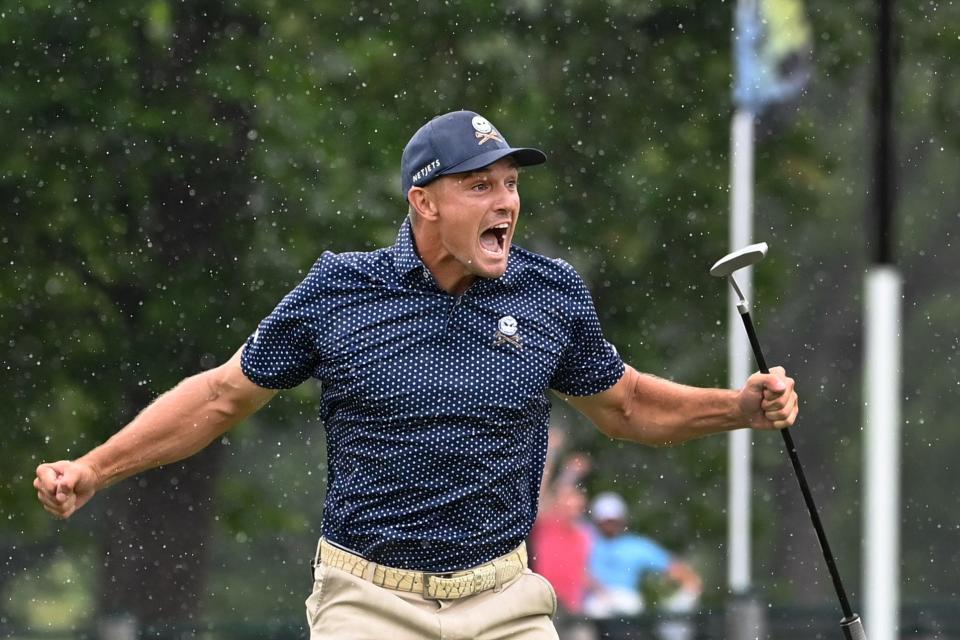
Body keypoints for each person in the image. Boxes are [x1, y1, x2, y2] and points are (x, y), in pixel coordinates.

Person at [34, 110, 799, 640]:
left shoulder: (549, 293)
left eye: (511, 185)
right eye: (481, 186)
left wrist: (738, 407)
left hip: (505, 601)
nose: (506, 202)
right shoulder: (340, 289)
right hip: (367, 603)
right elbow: (220, 396)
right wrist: (97, 468)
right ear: (424, 202)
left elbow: (627, 405)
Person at [584, 492, 702, 634]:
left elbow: (674, 568)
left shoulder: (636, 545)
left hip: (625, 602)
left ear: (622, 520)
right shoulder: (585, 540)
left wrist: (689, 587)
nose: (610, 525)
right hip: (593, 604)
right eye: (605, 521)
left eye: (613, 520)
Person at [530, 428, 596, 640]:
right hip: (546, 604)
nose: (570, 504)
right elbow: (543, 490)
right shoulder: (548, 523)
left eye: (576, 501)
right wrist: (552, 455)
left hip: (573, 609)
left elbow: (582, 572)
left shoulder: (585, 534)